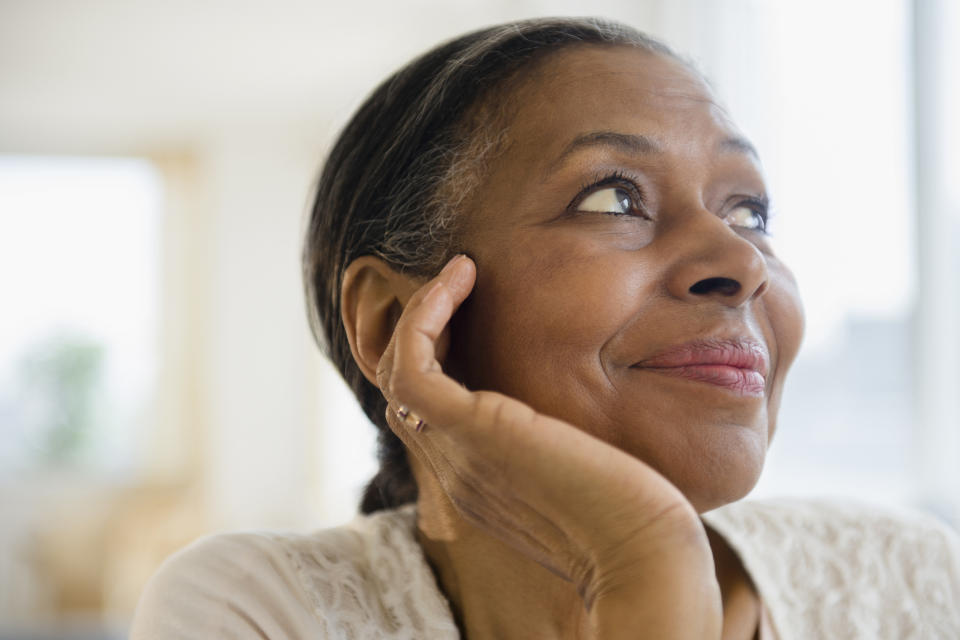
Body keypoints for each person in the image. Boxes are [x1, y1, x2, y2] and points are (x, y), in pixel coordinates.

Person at [131, 17, 960, 639]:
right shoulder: (257, 610)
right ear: (396, 325)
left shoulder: (910, 580)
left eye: (749, 209)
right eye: (613, 196)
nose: (740, 262)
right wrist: (646, 566)